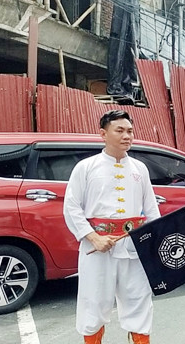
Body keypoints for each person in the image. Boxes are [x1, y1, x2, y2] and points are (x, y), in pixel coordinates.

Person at [63, 110, 160, 344]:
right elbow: (71, 207)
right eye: (120, 130)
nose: (127, 136)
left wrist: (153, 241)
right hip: (96, 248)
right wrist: (93, 237)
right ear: (103, 134)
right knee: (93, 303)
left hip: (134, 247)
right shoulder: (86, 167)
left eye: (130, 131)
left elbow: (151, 207)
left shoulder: (140, 168)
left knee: (139, 301)